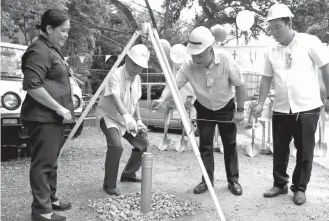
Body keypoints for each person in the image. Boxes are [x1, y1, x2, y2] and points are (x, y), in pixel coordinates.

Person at [253, 3, 329, 205]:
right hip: (281, 108)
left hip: (307, 107)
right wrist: (260, 103)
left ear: (289, 23)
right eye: (271, 28)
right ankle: (280, 183)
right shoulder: (271, 51)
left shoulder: (310, 42)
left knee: (305, 150)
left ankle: (300, 188)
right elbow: (266, 79)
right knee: (280, 148)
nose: (274, 33)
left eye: (277, 27)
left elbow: (326, 69)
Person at [152, 26, 246, 196]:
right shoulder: (188, 65)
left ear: (210, 49)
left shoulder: (225, 60)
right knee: (205, 146)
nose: (195, 58)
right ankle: (207, 181)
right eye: (193, 54)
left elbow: (239, 84)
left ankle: (233, 181)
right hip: (204, 108)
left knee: (230, 145)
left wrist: (240, 110)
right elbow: (173, 85)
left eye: (200, 54)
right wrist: (161, 99)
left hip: (226, 106)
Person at [21, 9, 73, 221]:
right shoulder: (39, 50)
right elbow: (32, 86)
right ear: (49, 28)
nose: (66, 35)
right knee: (43, 163)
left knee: (51, 160)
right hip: (43, 119)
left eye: (68, 31)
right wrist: (59, 107)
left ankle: (50, 199)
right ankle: (42, 212)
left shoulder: (51, 49)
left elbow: (48, 82)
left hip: (53, 119)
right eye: (63, 30)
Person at [96, 44, 150, 196]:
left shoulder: (137, 78)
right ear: (127, 59)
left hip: (127, 119)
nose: (137, 69)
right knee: (116, 146)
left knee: (142, 143)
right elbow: (114, 97)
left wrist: (138, 119)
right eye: (135, 64)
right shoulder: (115, 74)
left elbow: (135, 100)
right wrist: (127, 116)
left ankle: (128, 174)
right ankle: (109, 185)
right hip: (109, 117)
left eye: (141, 67)